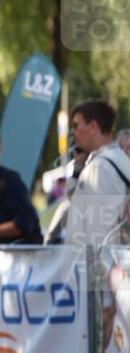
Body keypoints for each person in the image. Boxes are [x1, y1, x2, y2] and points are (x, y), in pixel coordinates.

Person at [66, 100, 130, 247]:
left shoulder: (101, 167)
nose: (72, 131)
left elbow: (100, 233)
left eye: (76, 125)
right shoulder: (116, 160)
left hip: (100, 264)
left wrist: (96, 268)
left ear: (93, 126)